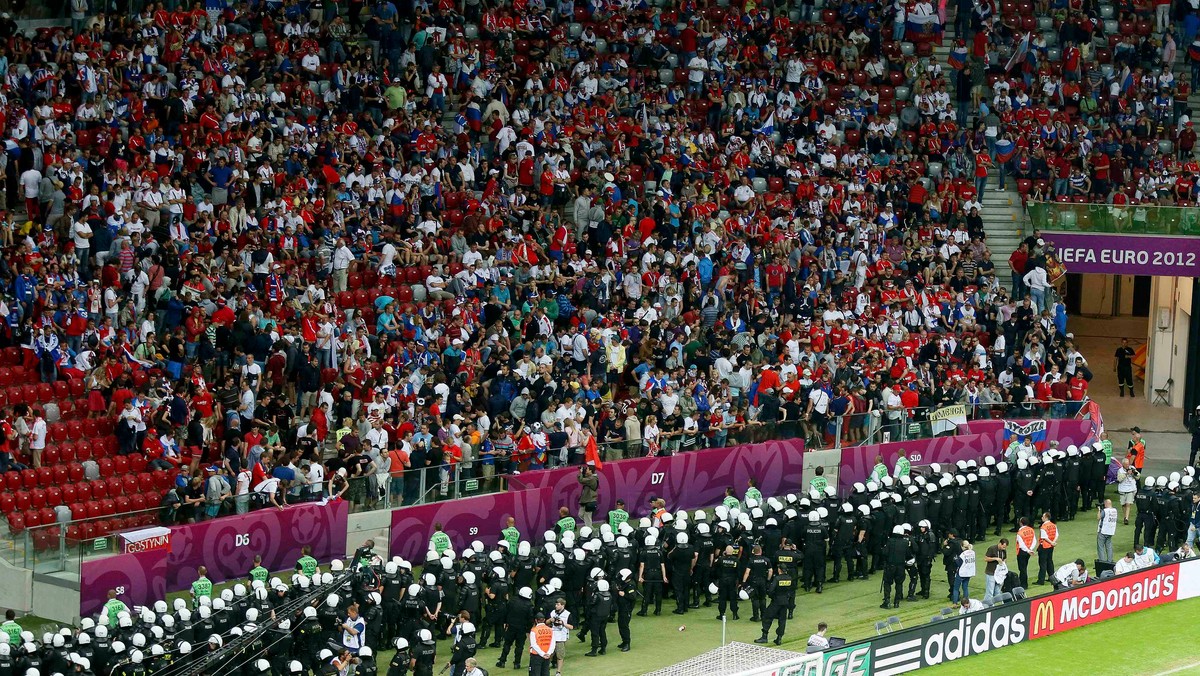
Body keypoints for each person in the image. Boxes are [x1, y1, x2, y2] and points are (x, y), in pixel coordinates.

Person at [755, 564, 794, 646]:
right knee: (782, 620)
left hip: (776, 601)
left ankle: (764, 637)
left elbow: (771, 590)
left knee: (767, 617)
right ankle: (779, 638)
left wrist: (772, 596)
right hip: (785, 601)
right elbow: (792, 590)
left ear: (779, 570)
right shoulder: (790, 578)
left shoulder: (777, 578)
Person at [548, 598, 572, 673]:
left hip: (561, 637)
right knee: (549, 654)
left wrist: (562, 623)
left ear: (563, 605)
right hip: (552, 636)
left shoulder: (567, 614)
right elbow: (546, 622)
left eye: (558, 605)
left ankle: (558, 671)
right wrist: (550, 620)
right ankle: (545, 668)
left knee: (560, 655)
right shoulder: (552, 612)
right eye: (556, 604)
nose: (556, 606)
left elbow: (571, 627)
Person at [982, 539, 1008, 603]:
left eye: (1005, 547)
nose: (1004, 548)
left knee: (997, 591)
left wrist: (1003, 562)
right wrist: (995, 559)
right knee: (990, 592)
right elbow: (985, 559)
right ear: (1000, 543)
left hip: (999, 574)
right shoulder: (992, 548)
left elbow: (1005, 558)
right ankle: (987, 606)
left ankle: (998, 606)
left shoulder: (1004, 551)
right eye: (1003, 546)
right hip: (991, 573)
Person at [1036, 512, 1058, 585]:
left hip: (1044, 546)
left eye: (1043, 516)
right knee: (1050, 561)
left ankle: (1041, 580)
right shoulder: (1053, 525)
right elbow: (1057, 535)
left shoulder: (1043, 527)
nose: (1042, 518)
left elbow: (1044, 537)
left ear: (1046, 518)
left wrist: (1051, 542)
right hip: (1051, 547)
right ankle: (1051, 577)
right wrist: (1053, 542)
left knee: (1042, 563)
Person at [1117, 458, 1138, 525]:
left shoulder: (1132, 468)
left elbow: (1138, 477)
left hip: (1131, 489)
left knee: (1128, 504)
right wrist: (1126, 474)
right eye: (1126, 464)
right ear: (1123, 464)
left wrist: (1134, 473)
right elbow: (1119, 479)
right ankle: (1125, 516)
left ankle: (1126, 518)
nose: (1127, 465)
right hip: (1122, 489)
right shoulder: (1120, 471)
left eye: (1128, 464)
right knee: (1123, 504)